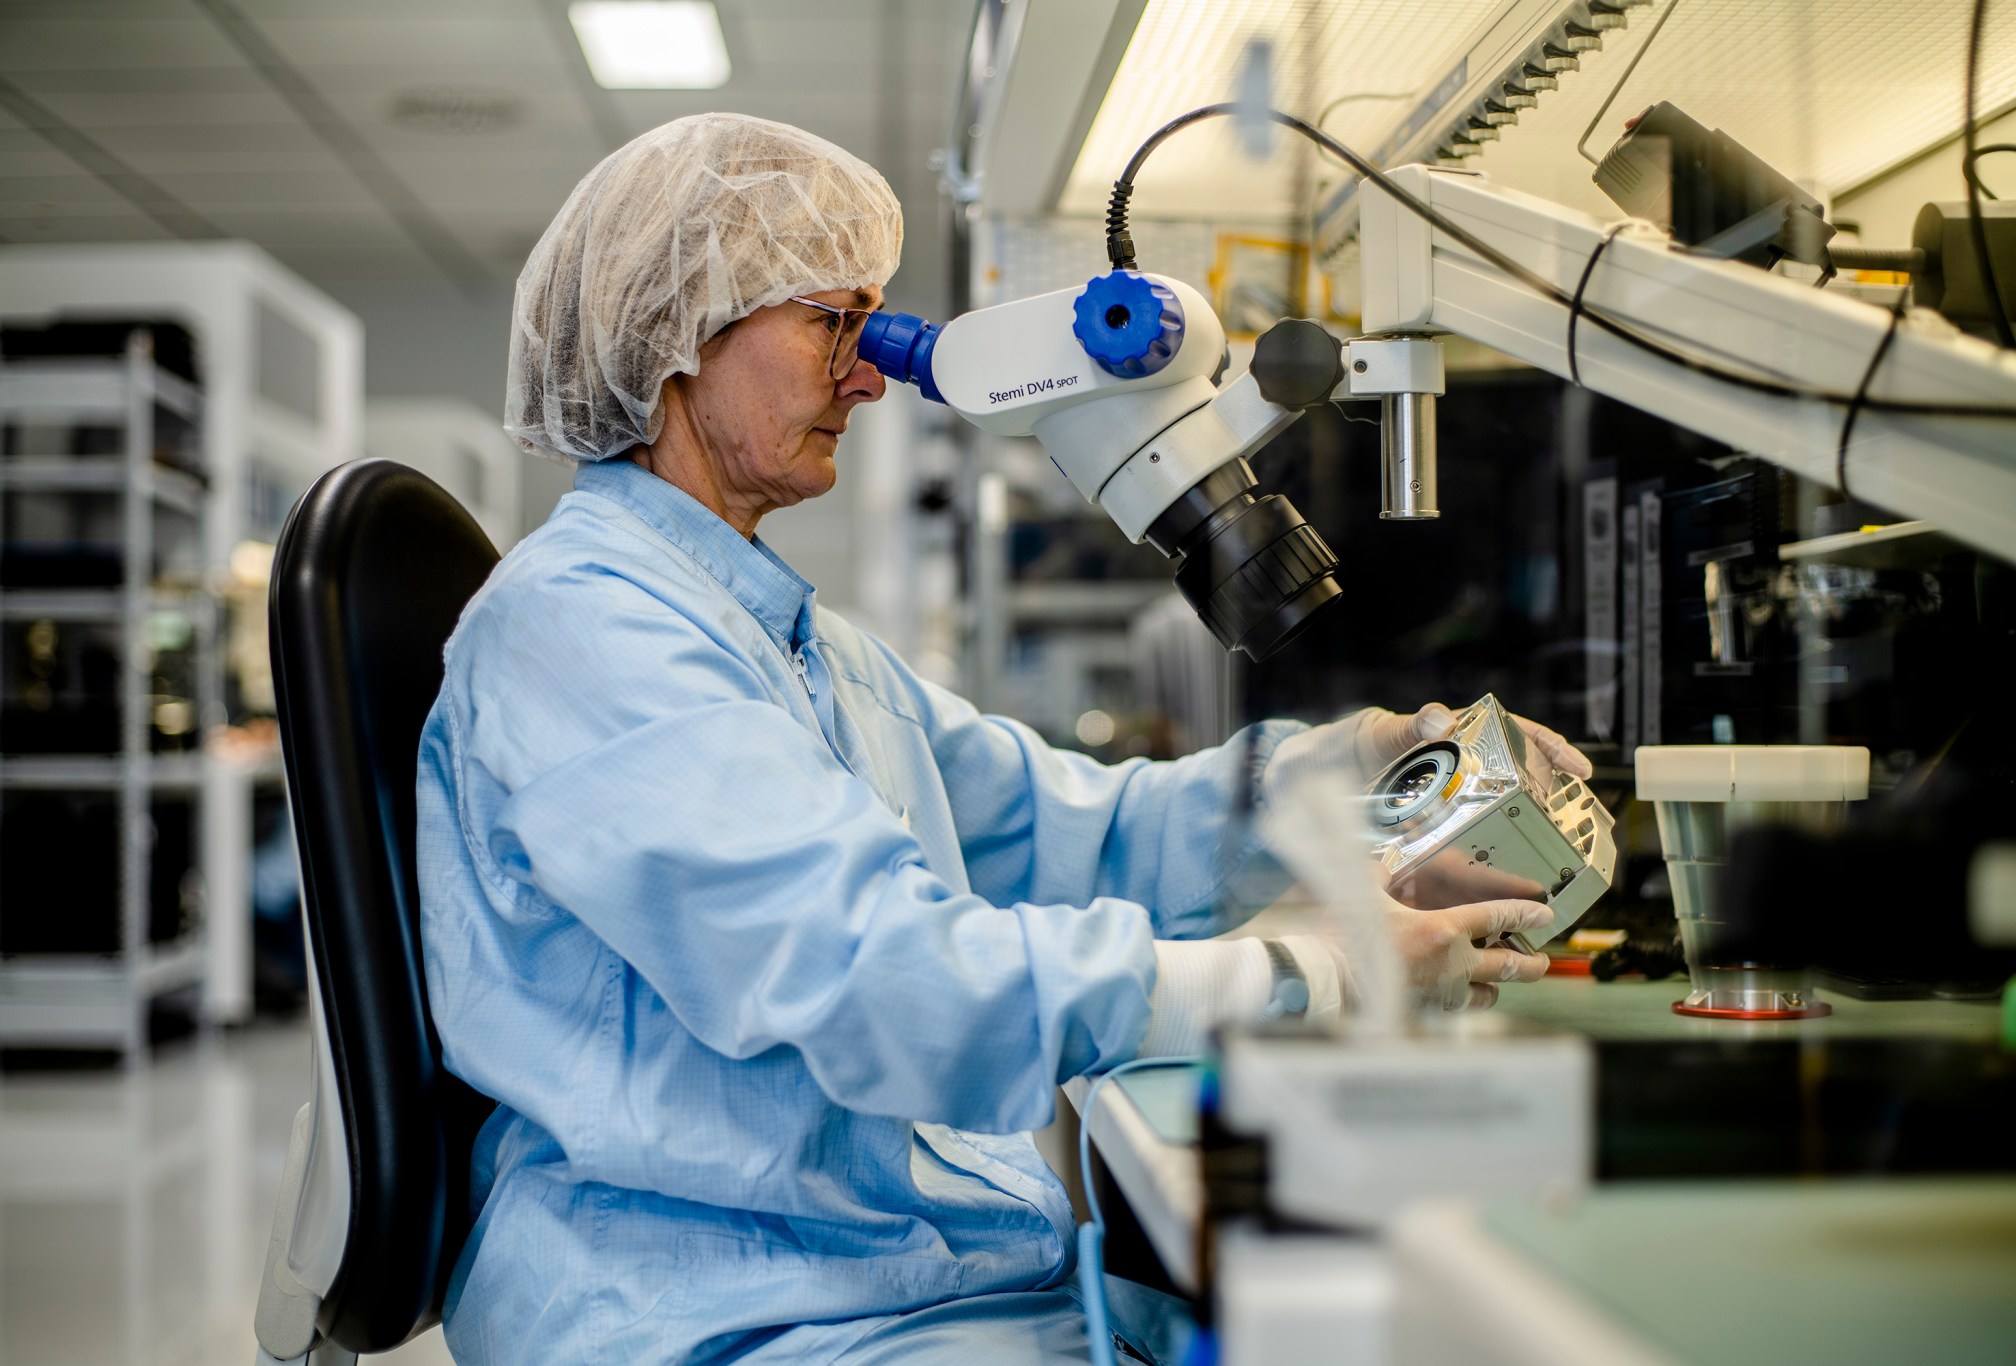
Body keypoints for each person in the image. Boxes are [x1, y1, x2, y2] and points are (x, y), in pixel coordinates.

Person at [417, 112, 1590, 1364]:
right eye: (833, 324)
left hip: (887, 1268)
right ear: (676, 332)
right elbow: (878, 976)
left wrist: (1340, 770)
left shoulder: (777, 634)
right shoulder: (583, 629)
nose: (868, 374)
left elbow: (1061, 829)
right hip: (717, 1309)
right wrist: (1308, 977)